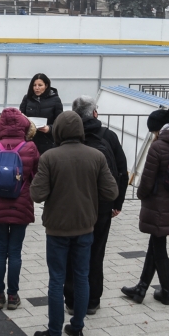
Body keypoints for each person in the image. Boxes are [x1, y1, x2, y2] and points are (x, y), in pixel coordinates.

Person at [29, 111, 119, 336]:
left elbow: (37, 194)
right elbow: (111, 192)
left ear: (57, 130)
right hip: (85, 226)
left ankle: (54, 332)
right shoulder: (96, 156)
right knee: (81, 276)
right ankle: (77, 328)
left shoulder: (49, 157)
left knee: (57, 279)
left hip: (57, 228)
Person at [63, 96, 128, 314]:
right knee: (96, 251)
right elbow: (121, 171)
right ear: (94, 113)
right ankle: (92, 300)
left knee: (72, 251)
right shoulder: (108, 136)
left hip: (73, 205)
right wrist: (117, 202)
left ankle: (72, 300)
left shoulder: (66, 136)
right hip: (102, 205)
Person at [121, 108, 169, 306]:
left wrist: (140, 195)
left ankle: (166, 291)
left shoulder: (159, 146)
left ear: (158, 129)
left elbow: (147, 179)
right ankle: (141, 288)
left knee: (159, 246)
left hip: (159, 202)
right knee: (156, 242)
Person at [0, 108, 40, 311]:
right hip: (21, 203)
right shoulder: (31, 147)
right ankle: (13, 295)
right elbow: (36, 173)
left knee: (0, 251)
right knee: (15, 252)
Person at [19, 73, 64, 154]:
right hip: (30, 139)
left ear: (46, 86)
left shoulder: (55, 100)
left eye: (40, 85)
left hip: (48, 141)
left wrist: (50, 128)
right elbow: (21, 117)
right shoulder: (27, 98)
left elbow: (60, 122)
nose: (37, 88)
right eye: (34, 85)